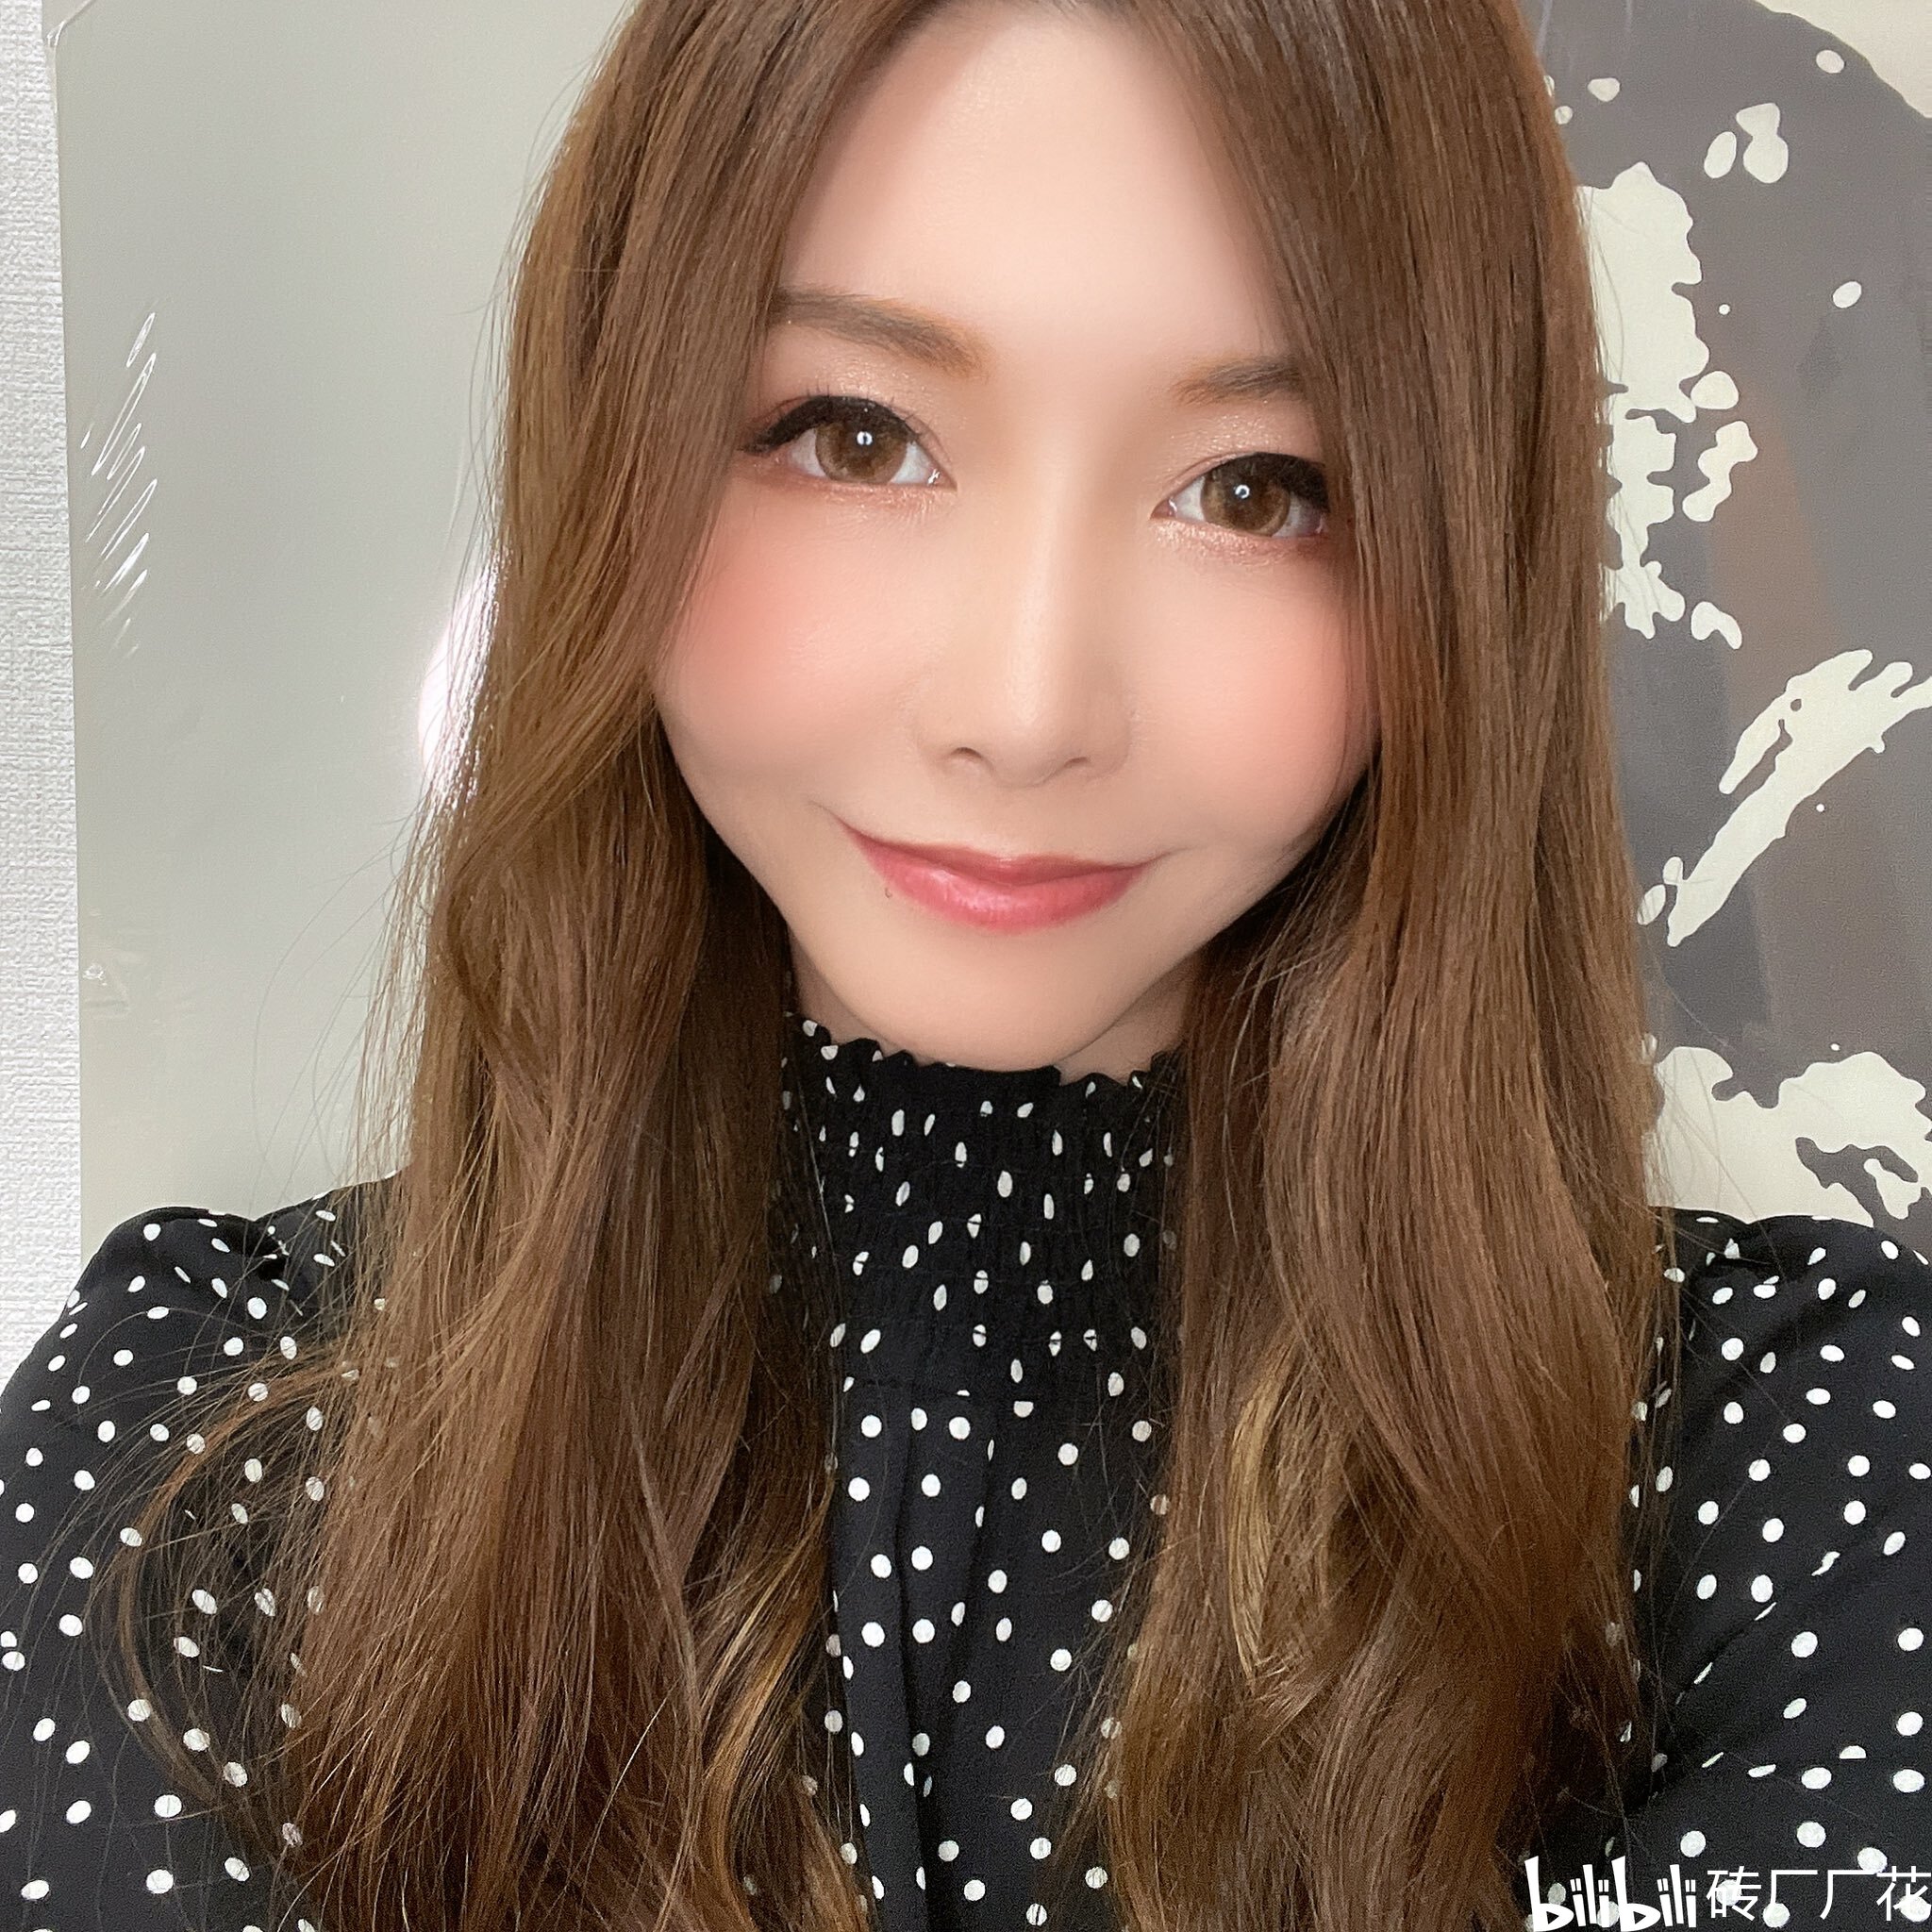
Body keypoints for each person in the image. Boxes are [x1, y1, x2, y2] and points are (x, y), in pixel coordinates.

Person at [0, 0, 1924, 1927]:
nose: (1025, 707)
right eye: (856, 437)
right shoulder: (201, 1451)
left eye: (1257, 488)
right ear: (615, 457)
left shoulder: (1801, 1457)